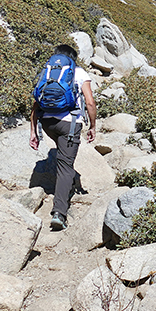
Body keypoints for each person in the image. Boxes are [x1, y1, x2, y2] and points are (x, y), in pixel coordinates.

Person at [29, 44, 97, 231]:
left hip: (47, 122)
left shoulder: (48, 71)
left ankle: (60, 184)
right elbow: (90, 103)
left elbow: (36, 103)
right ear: (73, 58)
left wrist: (33, 131)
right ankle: (59, 213)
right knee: (66, 167)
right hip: (70, 124)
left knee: (62, 153)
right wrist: (93, 126)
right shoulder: (79, 73)